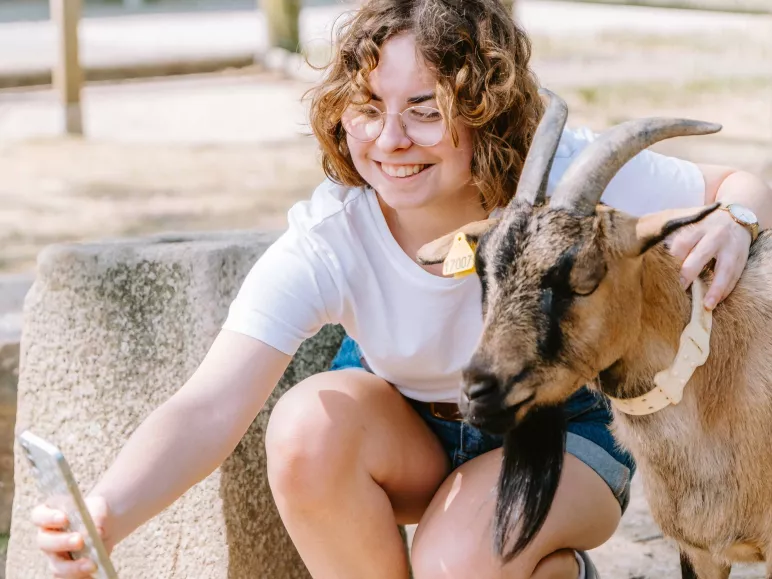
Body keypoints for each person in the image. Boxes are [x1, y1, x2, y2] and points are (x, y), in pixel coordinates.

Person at [31, 0, 771, 577]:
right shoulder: (334, 235)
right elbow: (210, 403)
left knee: (457, 561)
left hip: (555, 428)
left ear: (485, 111)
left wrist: (738, 216)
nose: (391, 139)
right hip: (415, 431)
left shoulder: (561, 191)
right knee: (304, 429)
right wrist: (104, 511)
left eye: (425, 110)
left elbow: (739, 183)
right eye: (369, 108)